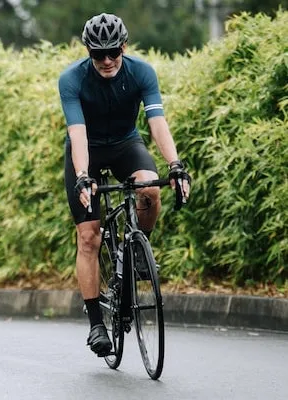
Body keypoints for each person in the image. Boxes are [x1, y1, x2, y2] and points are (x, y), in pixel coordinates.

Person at [57, 14, 192, 356]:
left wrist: (174, 165)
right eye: (98, 54)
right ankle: (96, 325)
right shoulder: (71, 79)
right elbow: (77, 133)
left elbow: (157, 122)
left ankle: (137, 248)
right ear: (87, 51)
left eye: (113, 52)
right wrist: (84, 175)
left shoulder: (141, 72)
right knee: (89, 236)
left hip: (124, 145)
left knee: (150, 189)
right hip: (86, 150)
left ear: (124, 47)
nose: (106, 61)